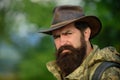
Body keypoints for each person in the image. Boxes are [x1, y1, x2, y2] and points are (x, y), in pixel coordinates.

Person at [39, 5, 120, 80]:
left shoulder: (107, 73)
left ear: (86, 34)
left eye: (68, 33)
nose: (62, 43)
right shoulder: (65, 71)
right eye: (57, 37)